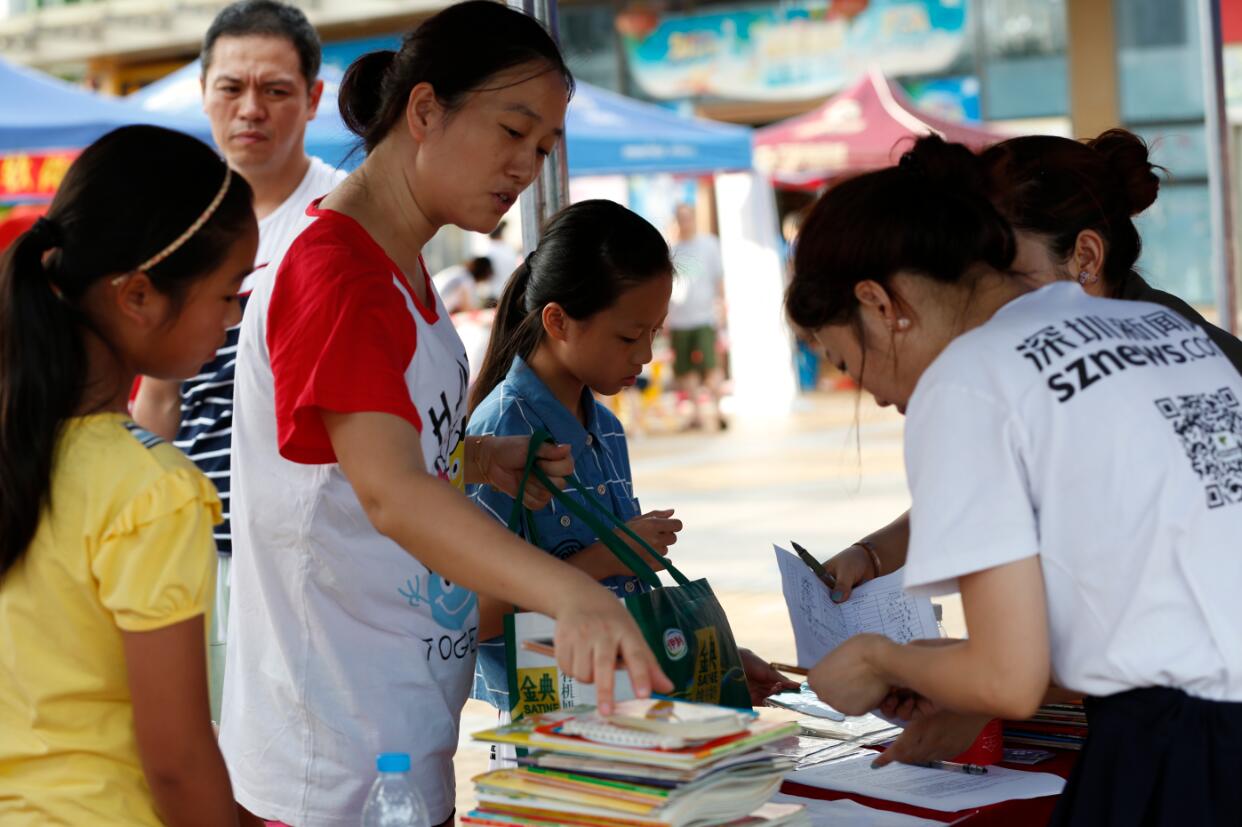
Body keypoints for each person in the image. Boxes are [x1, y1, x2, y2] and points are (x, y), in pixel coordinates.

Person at [218, 6, 669, 826]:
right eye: (512, 130)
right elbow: (389, 492)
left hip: (398, 725)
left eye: (542, 148)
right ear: (424, 110)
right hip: (331, 761)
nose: (526, 165)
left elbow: (356, 464)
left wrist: (474, 458)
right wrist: (571, 589)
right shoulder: (336, 273)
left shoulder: (403, 273)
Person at [788, 136, 1242, 824]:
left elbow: (1009, 674)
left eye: (845, 359)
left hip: (1187, 755)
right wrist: (956, 685)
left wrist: (879, 658)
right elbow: (1158, 614)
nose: (872, 393)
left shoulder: (965, 384)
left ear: (879, 303)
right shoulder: (1150, 326)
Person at [0, 126, 258, 826]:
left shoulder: (25, 450)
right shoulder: (153, 490)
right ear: (138, 295)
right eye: (231, 291)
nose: (235, 316)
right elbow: (176, 759)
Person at [468, 201, 797, 731]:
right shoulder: (502, 432)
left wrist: (717, 658)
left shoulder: (607, 425)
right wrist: (609, 556)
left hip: (626, 714)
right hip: (549, 731)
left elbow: (626, 601)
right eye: (628, 336)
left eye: (655, 333)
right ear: (558, 321)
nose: (644, 356)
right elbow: (470, 616)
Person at [130, 0, 346, 722]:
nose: (250, 109)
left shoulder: (344, 218)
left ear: (313, 98)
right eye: (231, 87)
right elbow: (159, 398)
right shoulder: (176, 224)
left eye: (275, 90)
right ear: (204, 92)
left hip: (317, 558)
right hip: (200, 552)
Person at [666, 202, 727, 430]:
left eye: (687, 217)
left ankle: (717, 409)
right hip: (680, 318)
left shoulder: (708, 245)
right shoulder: (673, 249)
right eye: (680, 218)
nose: (685, 222)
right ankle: (698, 414)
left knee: (711, 367)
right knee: (685, 369)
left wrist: (720, 306)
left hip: (704, 317)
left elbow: (718, 278)